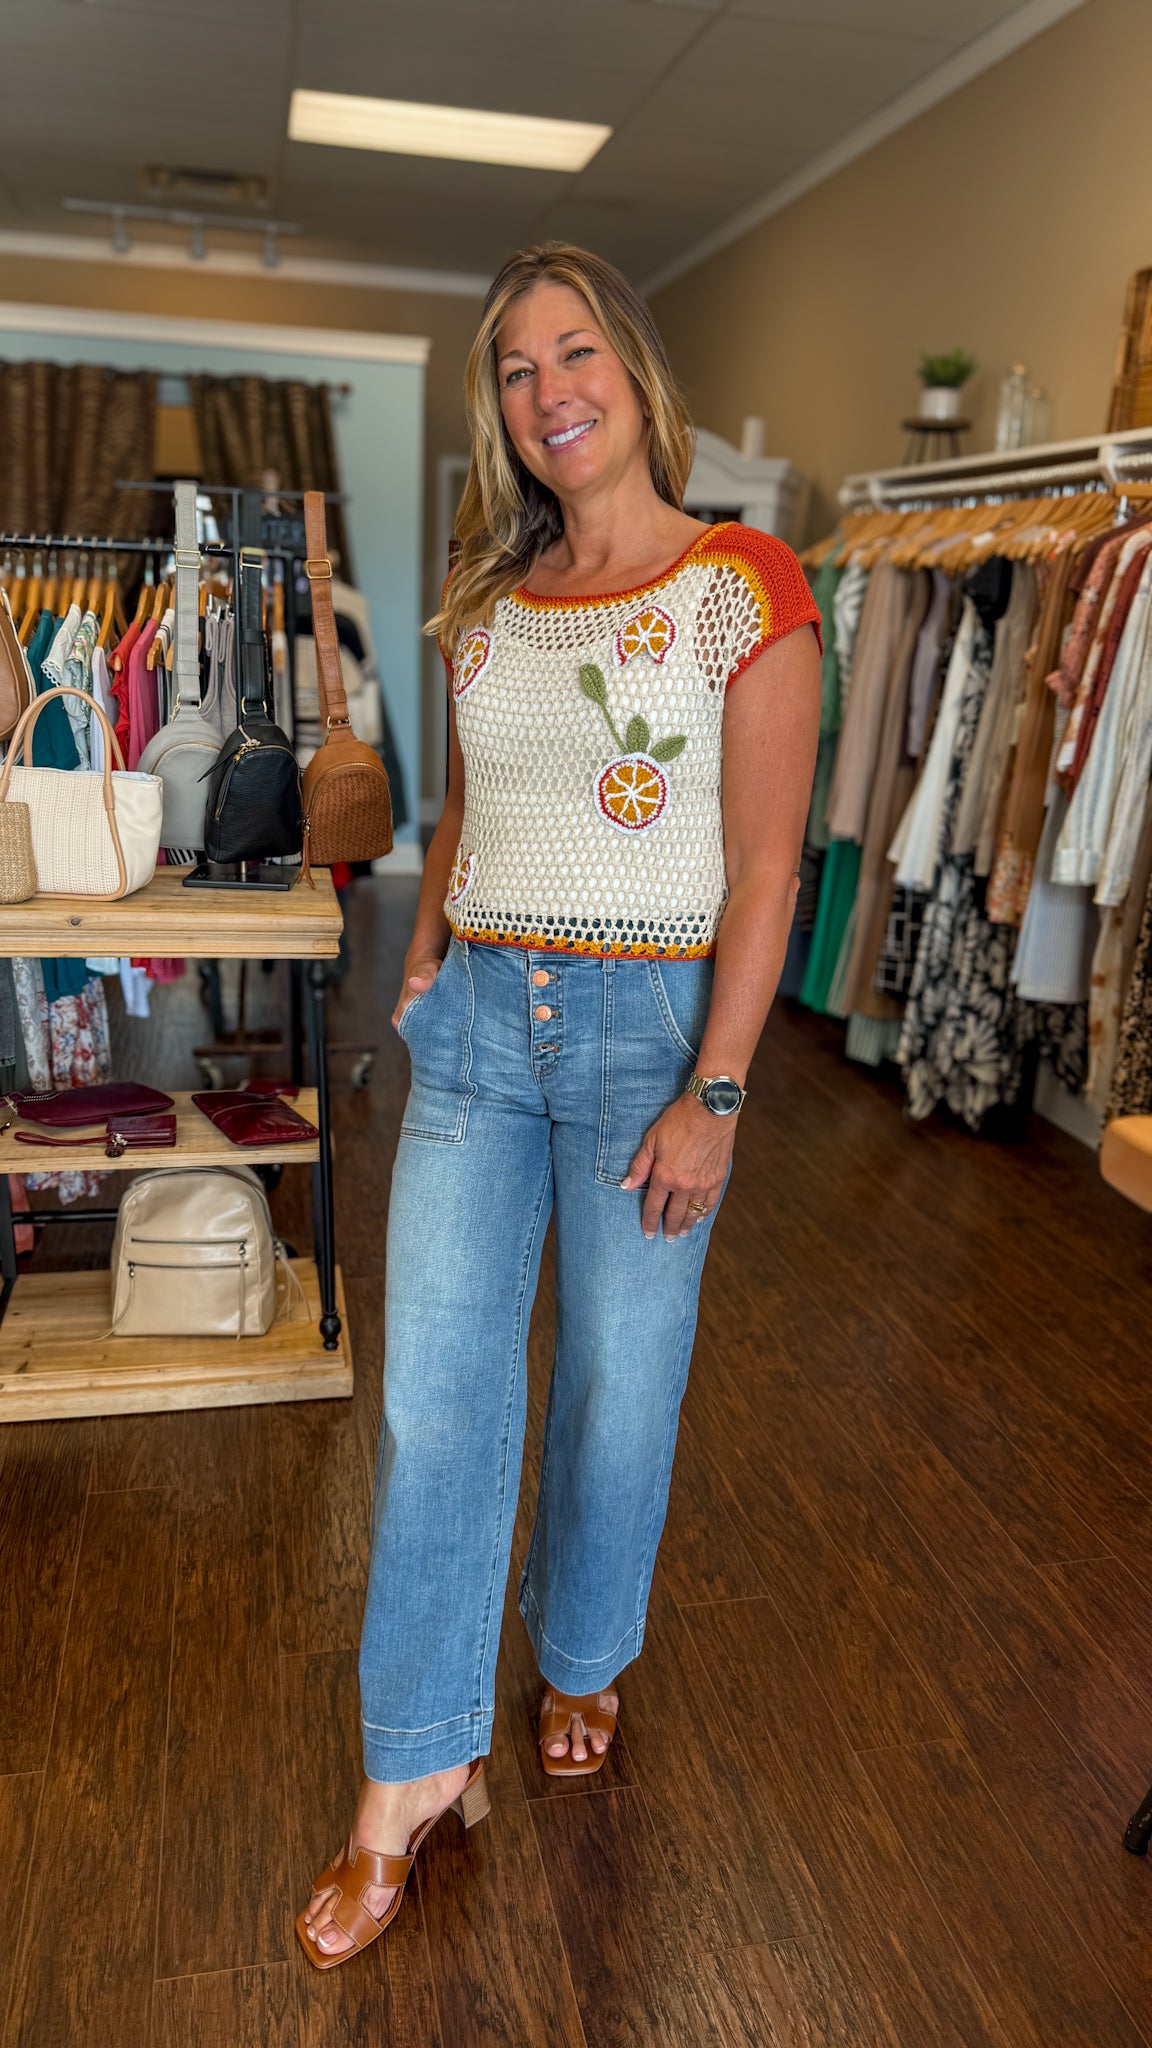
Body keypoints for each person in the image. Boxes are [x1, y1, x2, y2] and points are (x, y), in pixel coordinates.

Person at [298, 241, 821, 1967]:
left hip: (644, 1035)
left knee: (617, 1384)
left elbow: (763, 874)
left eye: (574, 351)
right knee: (436, 1400)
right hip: (473, 1033)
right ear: (497, 410)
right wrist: (426, 967)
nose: (549, 392)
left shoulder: (747, 584)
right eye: (515, 370)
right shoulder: (484, 600)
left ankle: (585, 1653)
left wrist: (719, 1094)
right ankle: (413, 1771)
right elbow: (462, 814)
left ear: (634, 372)